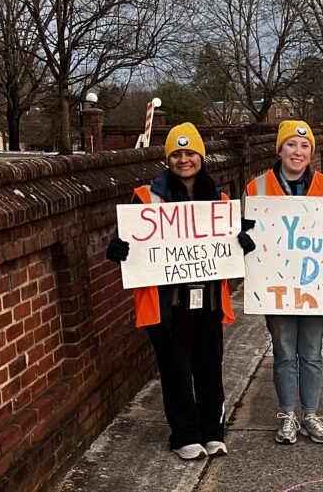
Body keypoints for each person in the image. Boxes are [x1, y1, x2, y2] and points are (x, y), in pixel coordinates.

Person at [105, 123, 256, 461]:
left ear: (201, 156)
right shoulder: (147, 197)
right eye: (176, 153)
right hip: (167, 303)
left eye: (190, 153)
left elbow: (226, 248)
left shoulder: (219, 200)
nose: (183, 159)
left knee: (208, 367)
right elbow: (131, 242)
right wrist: (116, 248)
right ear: (167, 159)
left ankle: (212, 432)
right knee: (175, 369)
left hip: (208, 300)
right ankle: (184, 434)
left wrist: (241, 244)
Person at [244, 121, 323, 445]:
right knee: (285, 352)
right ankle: (287, 414)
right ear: (280, 149)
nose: (297, 152)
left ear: (311, 152)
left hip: (315, 287)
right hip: (277, 288)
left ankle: (311, 414)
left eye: (304, 147)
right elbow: (245, 235)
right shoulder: (255, 189)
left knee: (312, 352)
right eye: (291, 145)